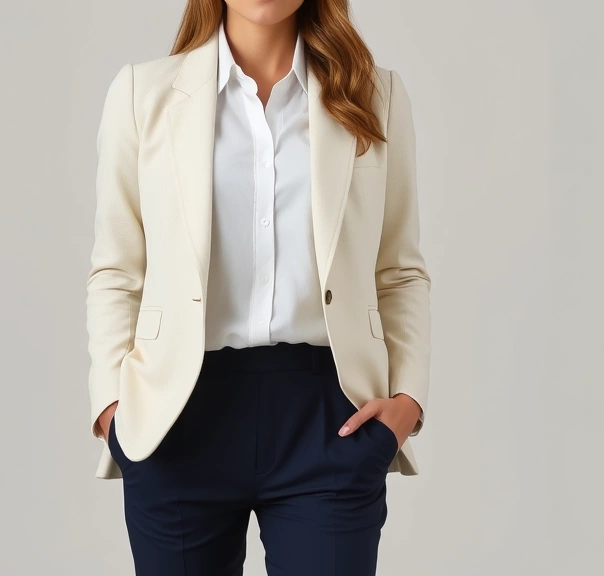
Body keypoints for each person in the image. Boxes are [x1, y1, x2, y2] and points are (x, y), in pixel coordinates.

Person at [85, 1, 430, 573]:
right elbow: (118, 270)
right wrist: (113, 411)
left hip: (330, 417)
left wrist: (407, 403)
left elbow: (397, 269)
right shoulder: (141, 97)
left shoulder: (375, 96)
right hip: (177, 418)